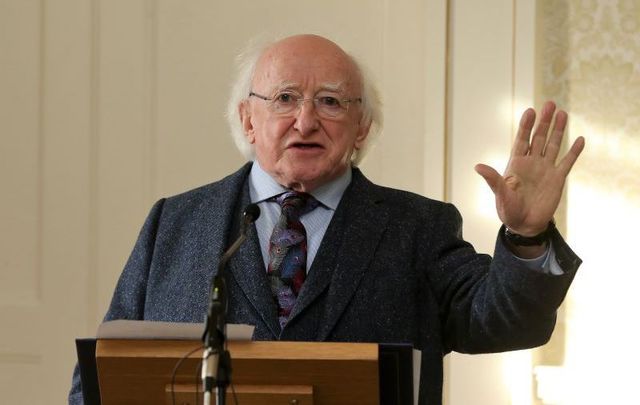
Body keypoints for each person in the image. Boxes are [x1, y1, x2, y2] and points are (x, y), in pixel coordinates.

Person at [69, 34, 585, 404]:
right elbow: (105, 372)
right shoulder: (176, 223)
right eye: (285, 98)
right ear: (249, 119)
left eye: (331, 102)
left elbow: (502, 323)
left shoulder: (417, 227)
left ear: (361, 127)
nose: (306, 120)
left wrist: (526, 236)